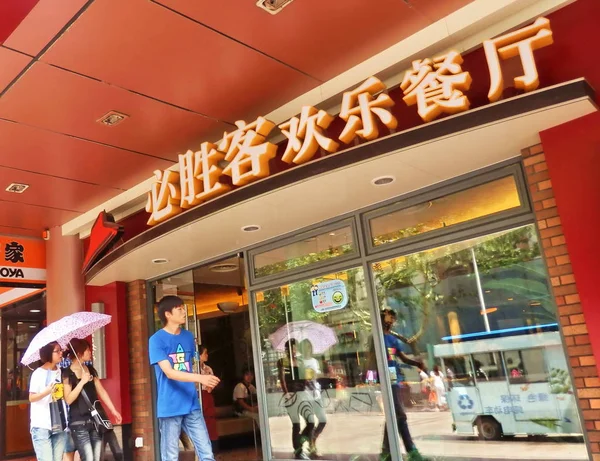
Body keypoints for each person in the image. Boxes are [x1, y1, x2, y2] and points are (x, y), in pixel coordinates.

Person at [149, 296, 220, 461]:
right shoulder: (156, 340)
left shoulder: (188, 336)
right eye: (179, 309)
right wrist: (201, 379)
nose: (183, 312)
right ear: (168, 314)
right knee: (170, 457)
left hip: (191, 403)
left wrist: (204, 378)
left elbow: (189, 365)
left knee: (207, 454)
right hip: (170, 406)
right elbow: (169, 372)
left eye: (183, 308)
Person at [379, 309, 429, 461]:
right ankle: (411, 451)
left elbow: (402, 357)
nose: (392, 320)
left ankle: (386, 453)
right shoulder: (376, 337)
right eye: (390, 317)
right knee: (399, 415)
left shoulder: (392, 339)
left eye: (393, 318)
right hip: (384, 376)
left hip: (394, 377)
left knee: (394, 416)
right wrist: (369, 381)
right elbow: (370, 360)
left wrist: (417, 363)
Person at [63, 338, 122, 461]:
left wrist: (113, 410)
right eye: (87, 350)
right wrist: (82, 382)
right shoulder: (67, 373)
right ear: (79, 353)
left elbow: (101, 391)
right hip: (78, 422)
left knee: (97, 457)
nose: (90, 352)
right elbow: (68, 399)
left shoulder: (90, 370)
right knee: (88, 458)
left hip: (94, 421)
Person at [29, 341, 68, 461]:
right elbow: (31, 398)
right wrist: (45, 392)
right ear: (48, 354)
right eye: (57, 351)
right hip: (41, 425)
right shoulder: (38, 373)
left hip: (59, 423)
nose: (61, 353)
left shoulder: (61, 372)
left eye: (61, 350)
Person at [278, 339, 313, 460]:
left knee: (311, 422)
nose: (293, 350)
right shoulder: (282, 361)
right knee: (296, 424)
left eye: (294, 347)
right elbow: (282, 378)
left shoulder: (301, 361)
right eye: (290, 348)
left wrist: (310, 381)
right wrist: (286, 393)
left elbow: (306, 378)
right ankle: (298, 452)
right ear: (287, 350)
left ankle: (299, 443)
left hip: (302, 394)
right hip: (291, 395)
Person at [299, 339, 327, 459]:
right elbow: (299, 377)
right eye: (305, 347)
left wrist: (322, 374)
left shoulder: (315, 361)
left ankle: (303, 440)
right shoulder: (299, 361)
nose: (308, 349)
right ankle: (311, 447)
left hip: (316, 394)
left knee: (323, 420)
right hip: (305, 396)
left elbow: (317, 375)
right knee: (310, 423)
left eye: (309, 346)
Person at [199, 345, 219, 452]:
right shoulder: (192, 368)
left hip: (207, 395)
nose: (207, 355)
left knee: (210, 421)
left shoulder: (208, 369)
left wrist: (209, 387)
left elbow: (211, 385)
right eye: (205, 353)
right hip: (197, 396)